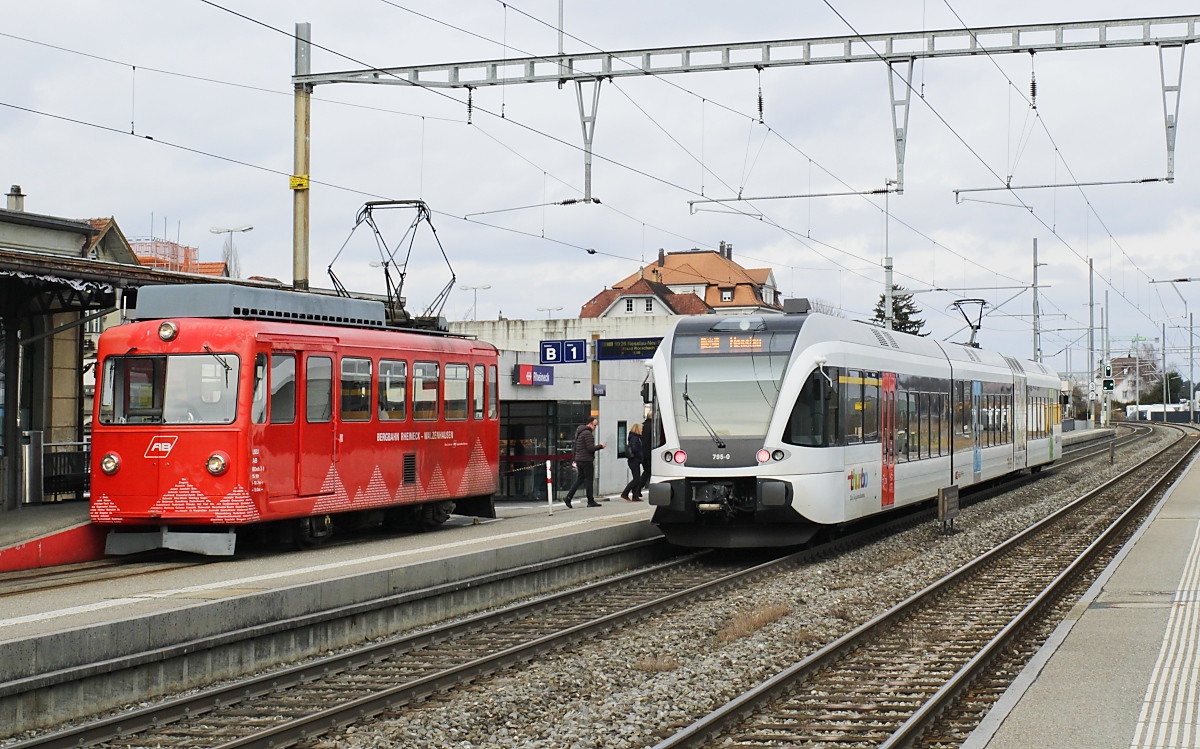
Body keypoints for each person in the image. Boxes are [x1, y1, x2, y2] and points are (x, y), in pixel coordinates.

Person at [564, 417, 606, 508]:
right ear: (590, 424)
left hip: (579, 459)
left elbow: (576, 447)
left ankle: (568, 497)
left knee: (580, 479)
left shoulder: (580, 433)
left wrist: (575, 459)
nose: (595, 427)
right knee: (589, 480)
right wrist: (600, 446)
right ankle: (590, 501)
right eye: (595, 425)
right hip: (586, 460)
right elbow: (590, 448)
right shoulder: (588, 434)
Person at [620, 422, 645, 501]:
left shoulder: (633, 437)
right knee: (636, 479)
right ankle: (625, 493)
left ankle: (635, 496)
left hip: (634, 460)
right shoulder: (635, 438)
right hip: (634, 460)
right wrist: (640, 454)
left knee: (636, 478)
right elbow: (635, 448)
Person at [634, 415, 653, 497]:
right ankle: (638, 488)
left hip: (642, 453)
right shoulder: (653, 427)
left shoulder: (642, 425)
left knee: (646, 471)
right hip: (649, 452)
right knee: (648, 471)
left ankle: (638, 489)